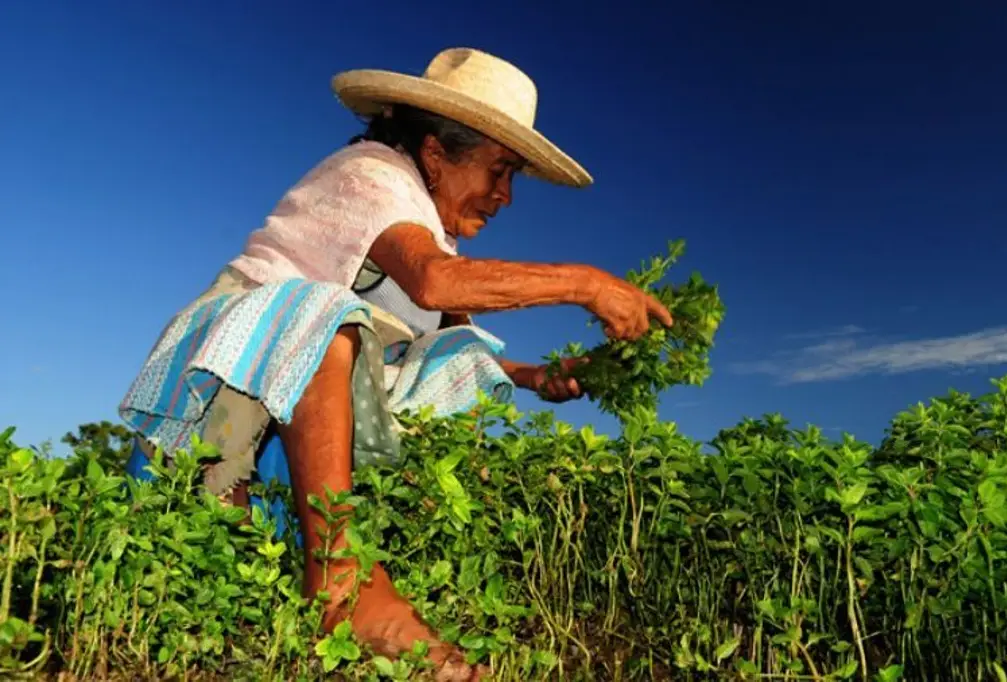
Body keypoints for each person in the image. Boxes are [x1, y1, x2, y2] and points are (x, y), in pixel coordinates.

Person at [118, 47, 672, 681]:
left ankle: (344, 557)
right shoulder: (370, 176)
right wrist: (585, 282)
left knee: (457, 356)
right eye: (499, 171)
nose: (506, 196)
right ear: (436, 154)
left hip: (288, 433)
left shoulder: (427, 229)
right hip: (219, 408)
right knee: (328, 315)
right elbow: (437, 284)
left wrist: (535, 377)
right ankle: (340, 583)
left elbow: (451, 321)